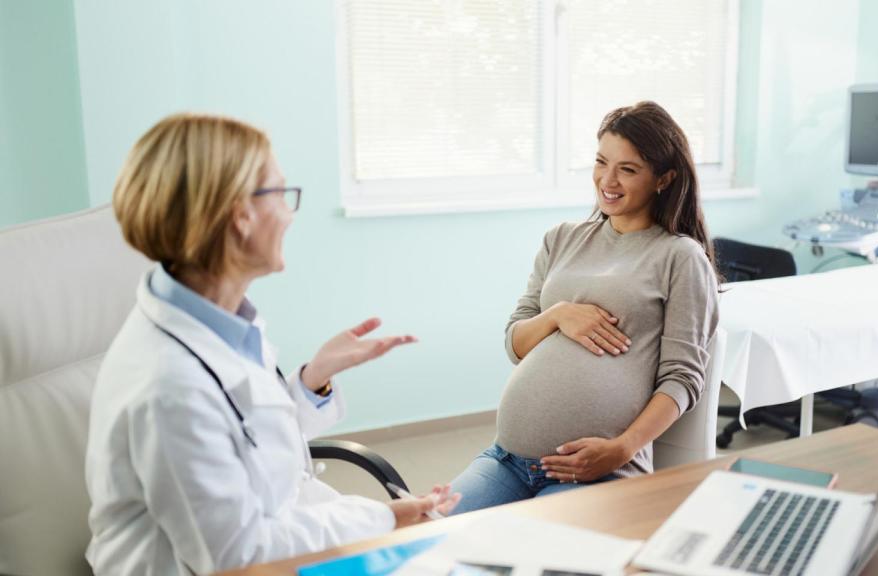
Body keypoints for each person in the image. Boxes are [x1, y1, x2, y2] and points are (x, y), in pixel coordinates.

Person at [85, 113, 459, 575]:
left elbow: (242, 437)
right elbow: (240, 554)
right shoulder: (169, 385)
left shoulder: (217, 319)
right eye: (281, 194)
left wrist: (311, 381)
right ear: (241, 214)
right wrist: (381, 515)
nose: (290, 213)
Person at [450, 101, 719, 513]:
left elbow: (683, 379)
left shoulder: (679, 257)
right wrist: (558, 314)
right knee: (430, 536)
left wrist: (621, 449)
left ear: (663, 178)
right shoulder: (561, 239)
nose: (607, 180)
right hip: (507, 460)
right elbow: (515, 343)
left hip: (601, 469)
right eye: (601, 162)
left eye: (627, 170)